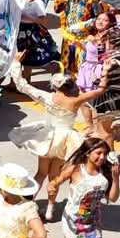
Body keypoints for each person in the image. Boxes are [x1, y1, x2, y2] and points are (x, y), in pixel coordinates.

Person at [8, 56, 109, 220]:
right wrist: (105, 71)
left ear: (55, 87)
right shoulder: (76, 100)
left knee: (40, 173)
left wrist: (16, 63)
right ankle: (50, 209)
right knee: (55, 176)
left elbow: (22, 85)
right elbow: (100, 90)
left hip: (47, 139)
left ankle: (29, 204)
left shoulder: (47, 97)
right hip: (65, 141)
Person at [16, 0, 59, 71]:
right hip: (17, 29)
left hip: (30, 32)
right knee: (15, 56)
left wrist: (27, 18)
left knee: (27, 58)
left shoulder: (39, 3)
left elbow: (43, 21)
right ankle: (13, 82)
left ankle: (26, 80)